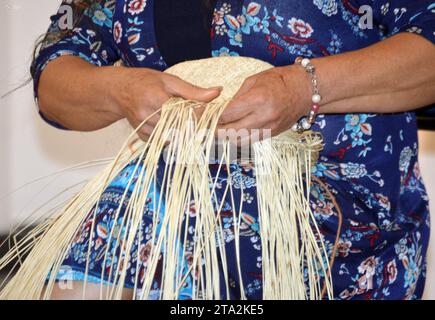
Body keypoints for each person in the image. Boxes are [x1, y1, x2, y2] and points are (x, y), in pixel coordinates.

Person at [33, 0, 435, 299]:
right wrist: (119, 91)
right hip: (172, 187)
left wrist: (303, 88)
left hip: (338, 209)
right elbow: (57, 65)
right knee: (89, 268)